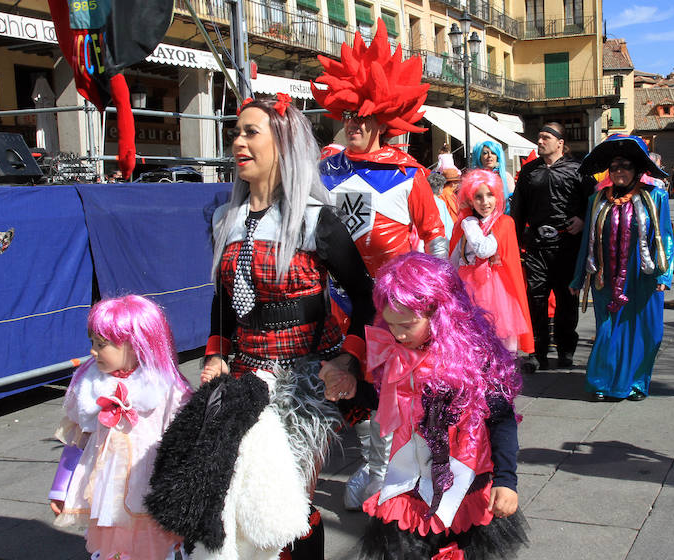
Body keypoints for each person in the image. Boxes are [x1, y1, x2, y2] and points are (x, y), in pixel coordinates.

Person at [144, 94, 375, 559]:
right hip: (245, 375)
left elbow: (366, 296)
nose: (238, 141)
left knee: (291, 497)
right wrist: (215, 354)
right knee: (241, 494)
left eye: (252, 132)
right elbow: (224, 301)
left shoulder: (316, 220)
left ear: (283, 142)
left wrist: (347, 358)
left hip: (305, 379)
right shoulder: (223, 219)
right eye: (236, 132)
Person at [313, 21, 450, 512]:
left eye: (363, 115)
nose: (354, 122)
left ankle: (386, 473)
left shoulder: (408, 174)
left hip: (391, 306)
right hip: (336, 301)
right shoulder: (323, 167)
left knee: (390, 392)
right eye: (348, 113)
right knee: (351, 395)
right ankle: (373, 468)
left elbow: (435, 237)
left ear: (384, 119)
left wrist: (433, 298)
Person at [320, 252, 528, 560]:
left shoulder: (476, 356)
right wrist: (353, 390)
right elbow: (382, 400)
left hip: (466, 480)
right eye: (391, 326)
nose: (398, 335)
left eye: (407, 325)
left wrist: (506, 480)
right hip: (410, 482)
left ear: (440, 314)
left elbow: (501, 419)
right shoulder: (397, 352)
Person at [49, 295, 192, 560]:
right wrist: (61, 487)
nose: (93, 350)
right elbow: (77, 440)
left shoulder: (165, 389)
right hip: (105, 492)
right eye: (92, 342)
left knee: (155, 546)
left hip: (151, 488)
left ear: (135, 345)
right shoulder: (90, 385)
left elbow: (184, 444)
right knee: (114, 546)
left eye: (102, 344)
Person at [570, 134, 674, 401]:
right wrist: (578, 277)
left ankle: (637, 383)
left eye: (625, 166)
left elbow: (665, 236)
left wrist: (664, 274)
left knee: (646, 330)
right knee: (607, 329)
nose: (618, 171)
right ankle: (603, 384)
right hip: (605, 276)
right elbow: (587, 242)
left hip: (643, 275)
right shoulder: (597, 200)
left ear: (637, 169)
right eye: (614, 166)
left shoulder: (656, 197)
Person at [512, 122, 588, 370]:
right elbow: (518, 211)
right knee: (536, 300)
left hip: (567, 245)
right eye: (539, 136)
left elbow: (593, 202)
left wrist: (583, 219)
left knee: (566, 300)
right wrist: (514, 243)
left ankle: (566, 350)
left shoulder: (578, 170)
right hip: (536, 246)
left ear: (560, 143)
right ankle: (537, 352)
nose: (540, 141)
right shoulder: (528, 172)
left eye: (546, 137)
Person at [449, 169, 534, 354]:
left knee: (500, 343)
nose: (485, 202)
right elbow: (454, 260)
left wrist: (469, 223)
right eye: (478, 197)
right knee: (471, 342)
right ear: (470, 199)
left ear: (497, 197)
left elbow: (484, 249)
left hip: (495, 290)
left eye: (490, 195)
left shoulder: (503, 222)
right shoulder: (464, 223)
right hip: (466, 288)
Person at [471, 140, 516, 213]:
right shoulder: (473, 178)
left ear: (497, 157)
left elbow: (513, 201)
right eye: (485, 153)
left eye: (493, 153)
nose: (489, 156)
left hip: (502, 216)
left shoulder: (505, 177)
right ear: (479, 157)